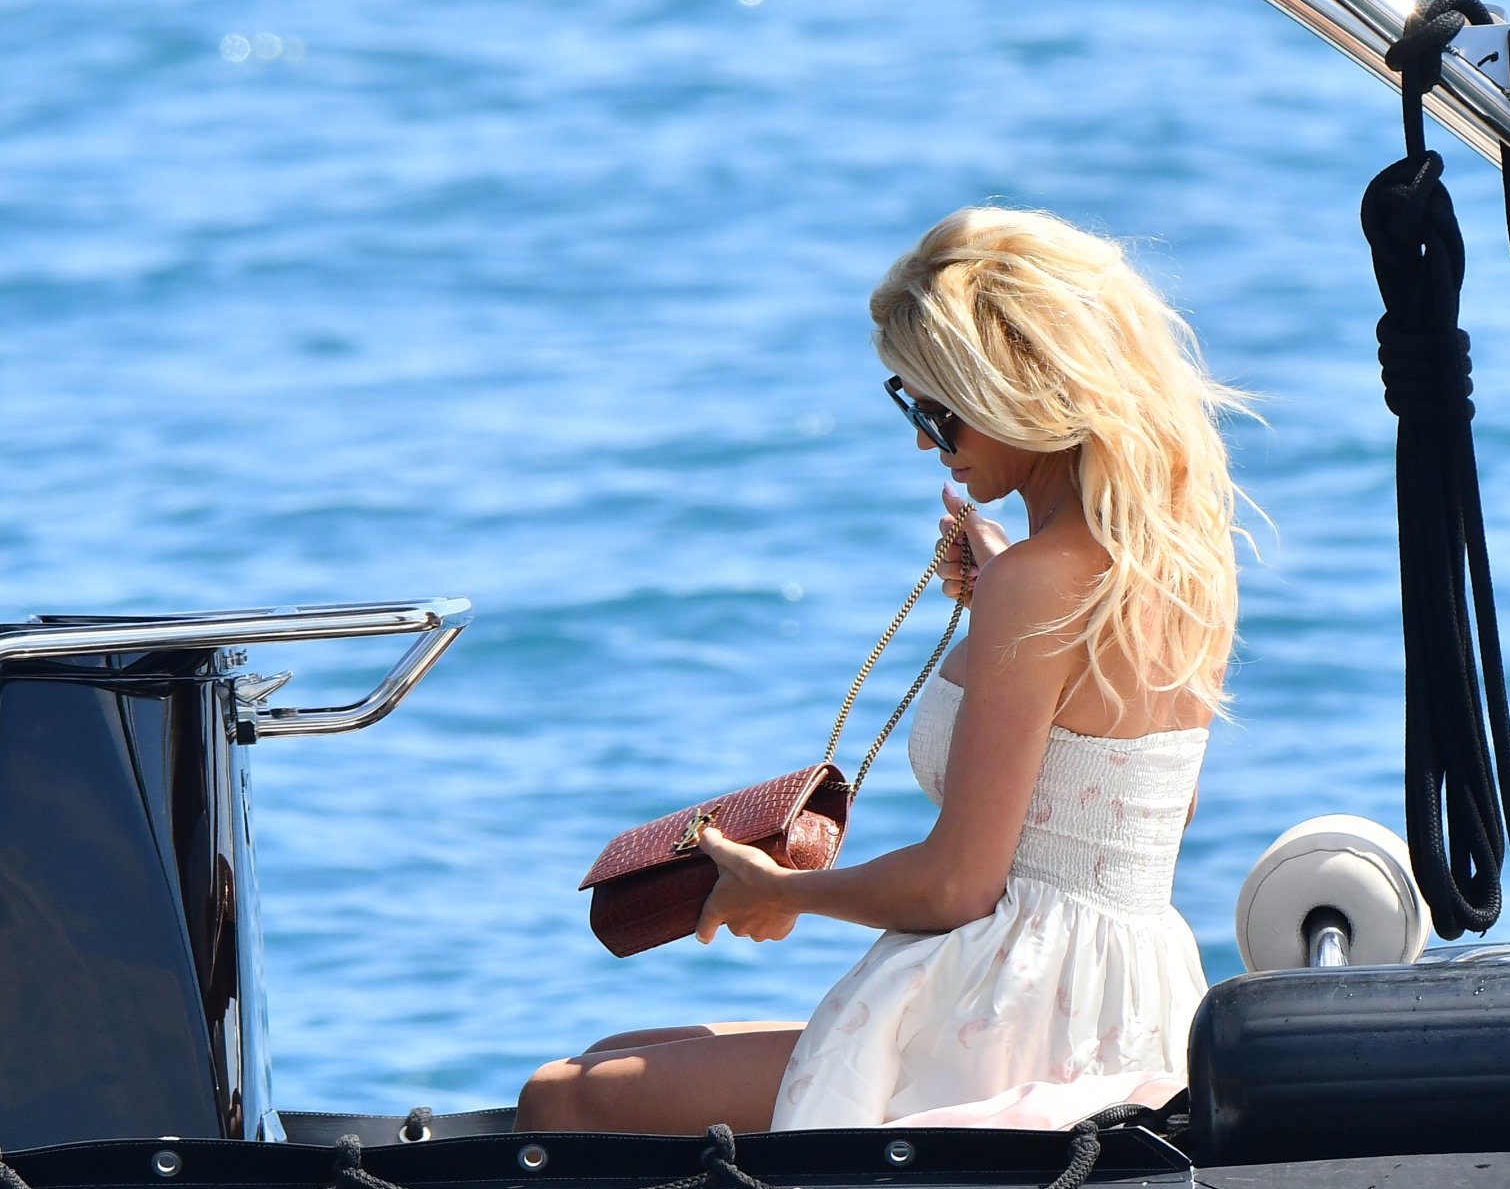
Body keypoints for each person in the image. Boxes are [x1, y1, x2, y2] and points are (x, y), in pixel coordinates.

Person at [515, 205, 1250, 1134]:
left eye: (938, 412)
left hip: (1018, 1007)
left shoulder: (1036, 584)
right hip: (1121, 997)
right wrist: (995, 603)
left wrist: (781, 891)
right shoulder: (1181, 564)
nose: (924, 442)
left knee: (564, 1097)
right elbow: (1144, 809)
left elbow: (956, 887)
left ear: (1022, 393)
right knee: (612, 1055)